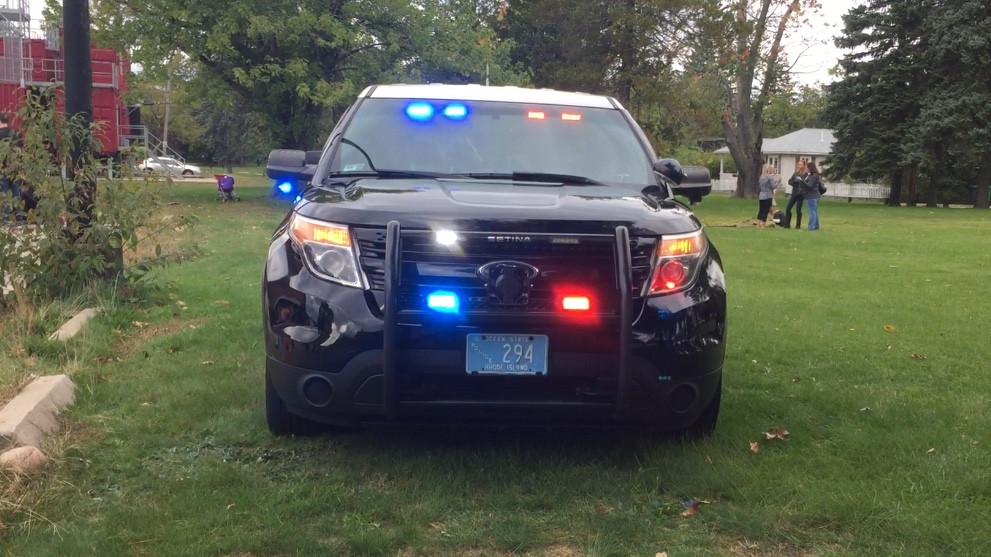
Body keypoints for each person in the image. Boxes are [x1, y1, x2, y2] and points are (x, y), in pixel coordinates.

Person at [784, 159, 807, 229]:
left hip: (801, 194)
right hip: (794, 193)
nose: (798, 166)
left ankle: (798, 225)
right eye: (798, 164)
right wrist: (795, 181)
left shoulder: (805, 174)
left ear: (803, 166)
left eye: (800, 164)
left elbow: (804, 183)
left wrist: (799, 181)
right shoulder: (795, 173)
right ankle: (787, 224)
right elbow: (790, 181)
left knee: (798, 210)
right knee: (788, 208)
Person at [801, 161, 823, 231]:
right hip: (815, 195)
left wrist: (802, 181)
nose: (806, 169)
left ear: (810, 168)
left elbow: (809, 185)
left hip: (811, 196)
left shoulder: (812, 176)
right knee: (814, 211)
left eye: (807, 168)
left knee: (812, 212)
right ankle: (816, 226)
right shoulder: (815, 175)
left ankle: (811, 226)